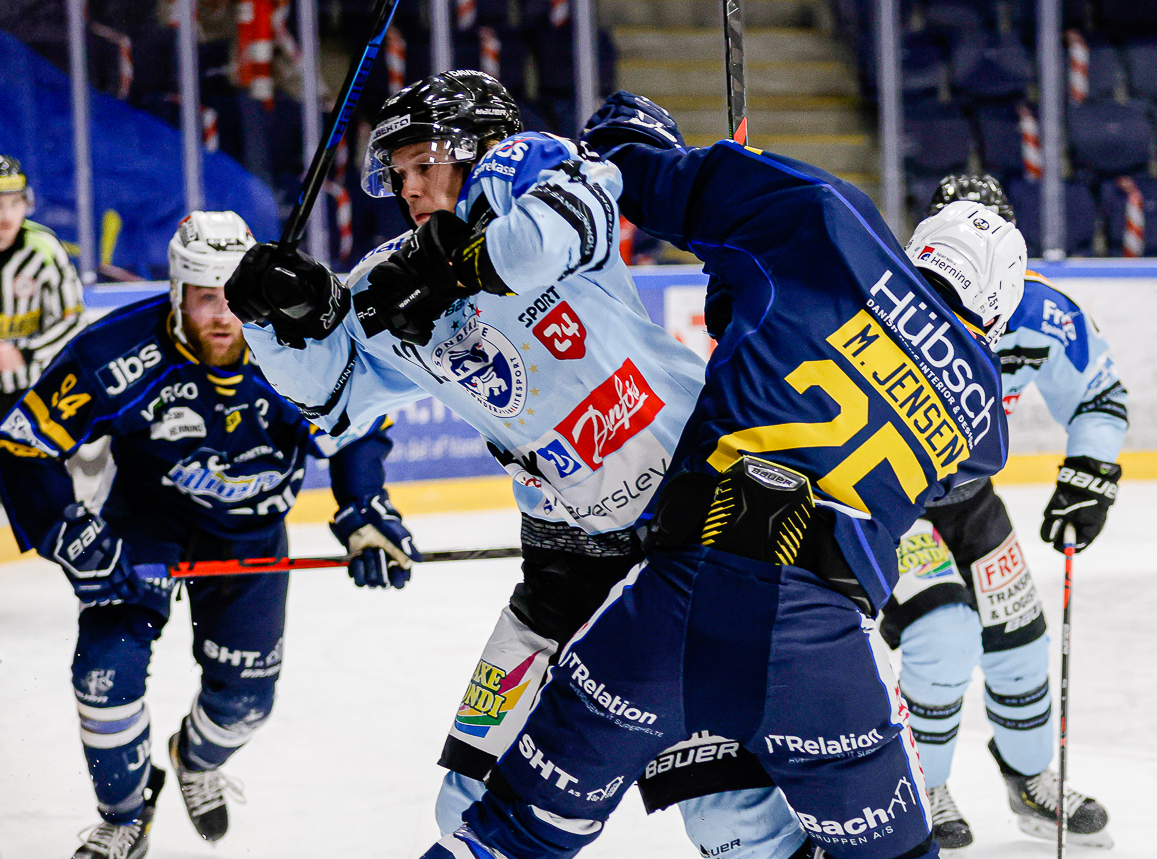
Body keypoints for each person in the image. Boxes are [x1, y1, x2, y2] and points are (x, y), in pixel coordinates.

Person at [386, 91, 1026, 859]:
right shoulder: (984, 421)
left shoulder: (826, 222)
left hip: (669, 590)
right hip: (802, 638)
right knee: (832, 847)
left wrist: (658, 160)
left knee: (512, 830)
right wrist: (748, 299)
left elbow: (643, 175)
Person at [225, 72, 812, 859]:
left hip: (686, 529)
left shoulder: (538, 175)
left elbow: (538, 242)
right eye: (397, 173)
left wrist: (453, 261)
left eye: (424, 162)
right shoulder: (388, 279)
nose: (409, 187)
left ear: (482, 150)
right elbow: (334, 399)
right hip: (562, 559)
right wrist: (273, 319)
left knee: (729, 820)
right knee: (468, 802)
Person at [0, 211, 413, 859]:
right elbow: (24, 442)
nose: (223, 316)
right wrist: (69, 534)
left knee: (246, 702)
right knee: (104, 673)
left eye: (232, 296)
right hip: (146, 523)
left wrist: (363, 510)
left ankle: (193, 760)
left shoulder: (294, 345)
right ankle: (125, 816)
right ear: (175, 294)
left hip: (252, 533)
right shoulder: (117, 353)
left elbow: (357, 426)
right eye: (203, 298)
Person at [882, 174, 1124, 850]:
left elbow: (1098, 395)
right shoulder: (884, 301)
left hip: (971, 500)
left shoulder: (1044, 312)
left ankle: (1030, 780)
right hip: (891, 504)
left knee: (1020, 643)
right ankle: (919, 786)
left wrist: (1091, 472)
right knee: (942, 636)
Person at [0, 154, 85, 412]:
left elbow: (73, 320)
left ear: (27, 202)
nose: (6, 215)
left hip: (32, 391)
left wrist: (24, 353)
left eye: (15, 203)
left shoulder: (45, 249)